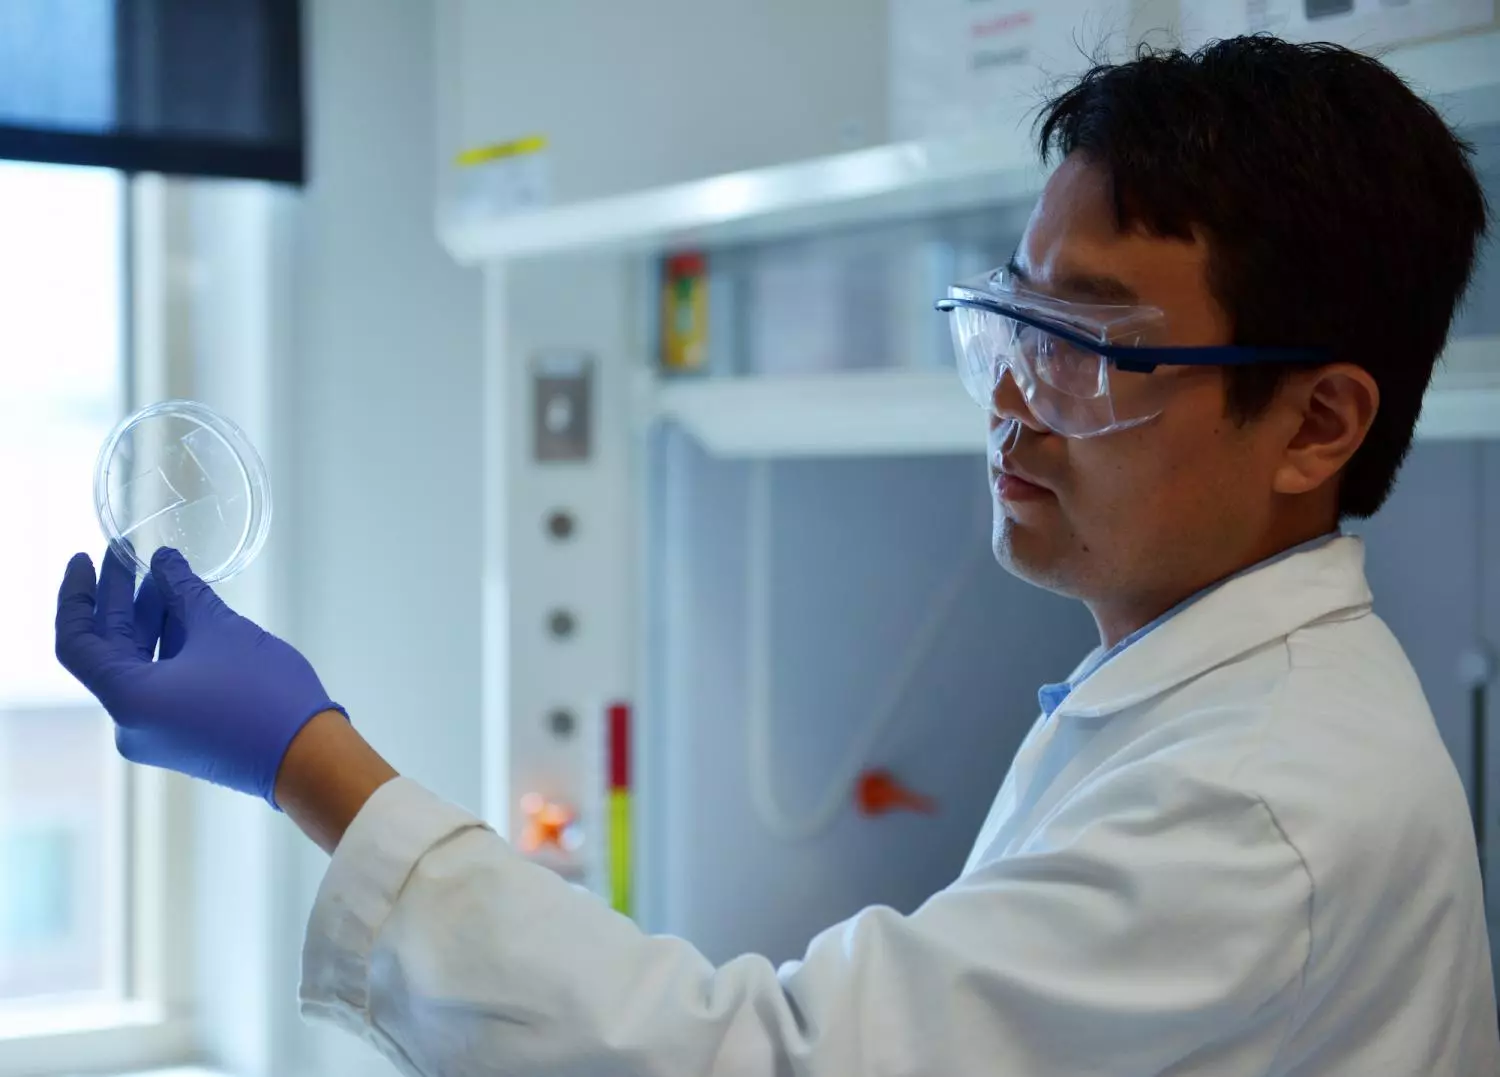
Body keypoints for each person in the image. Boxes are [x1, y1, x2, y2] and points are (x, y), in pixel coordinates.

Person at [54, 34, 1496, 1077]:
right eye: (1011, 320)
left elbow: (764, 1066)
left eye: (1088, 350)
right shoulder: (1201, 712)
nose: (1009, 395)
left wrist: (309, 758)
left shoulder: (1259, 806)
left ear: (1317, 424)